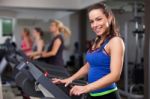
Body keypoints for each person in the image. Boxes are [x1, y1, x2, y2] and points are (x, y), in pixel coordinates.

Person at [52, 3, 125, 99]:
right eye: (92, 21)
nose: (95, 25)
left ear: (109, 18)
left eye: (99, 19)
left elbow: (115, 75)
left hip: (108, 95)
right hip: (92, 94)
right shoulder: (97, 40)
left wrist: (85, 88)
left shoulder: (115, 41)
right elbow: (88, 65)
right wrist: (69, 79)